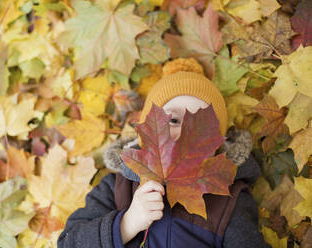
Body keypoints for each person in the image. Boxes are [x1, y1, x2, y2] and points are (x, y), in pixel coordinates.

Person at [57, 58, 270, 248]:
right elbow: (68, 242)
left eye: (199, 127)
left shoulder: (228, 201)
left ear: (216, 144)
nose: (184, 134)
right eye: (173, 120)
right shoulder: (116, 188)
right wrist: (127, 224)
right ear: (147, 129)